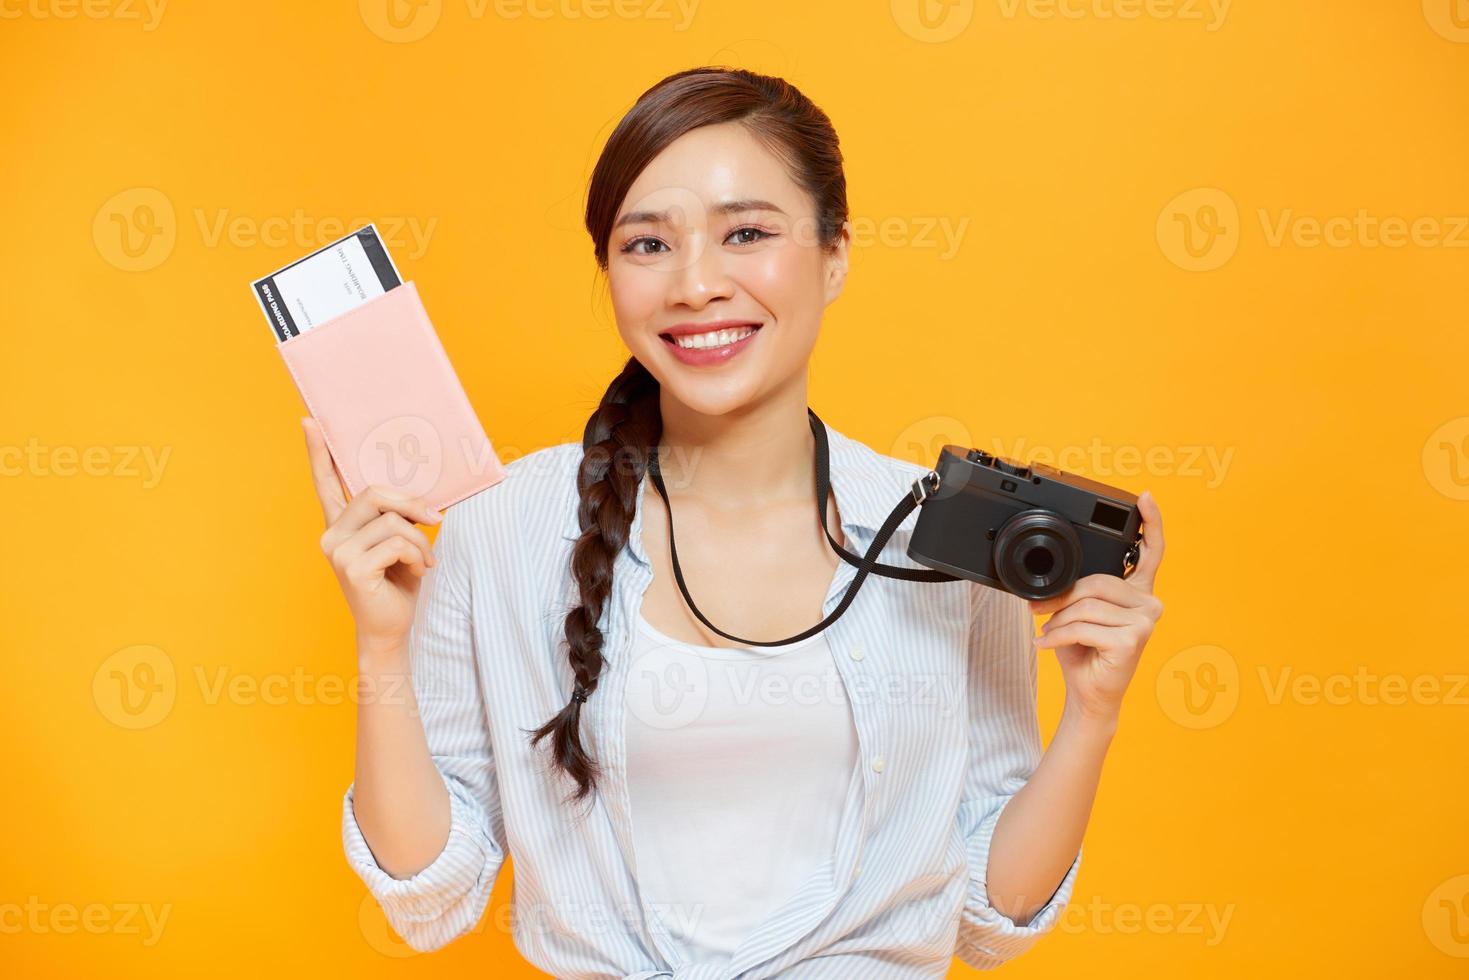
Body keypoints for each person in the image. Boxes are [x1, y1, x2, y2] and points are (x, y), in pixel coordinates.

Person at [302, 66, 1166, 979]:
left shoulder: (944, 537)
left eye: (745, 233)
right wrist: (381, 650)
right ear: (607, 271)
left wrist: (1092, 716)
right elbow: (430, 894)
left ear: (836, 254)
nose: (697, 284)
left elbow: (995, 916)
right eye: (647, 246)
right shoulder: (502, 524)